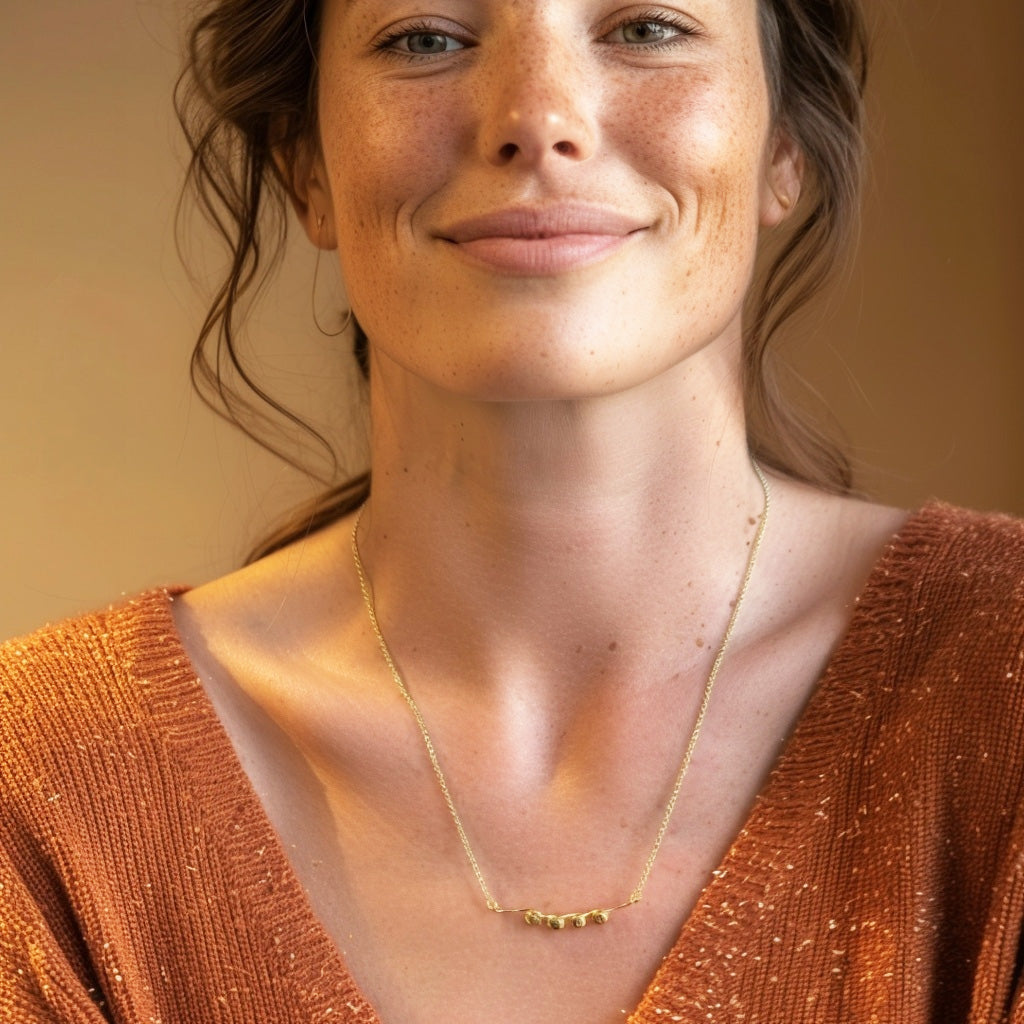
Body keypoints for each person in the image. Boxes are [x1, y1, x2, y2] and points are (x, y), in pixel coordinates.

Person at [2, 0, 1022, 1021]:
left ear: (782, 144)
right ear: (305, 164)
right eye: (424, 38)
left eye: (646, 27)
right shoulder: (38, 779)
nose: (536, 117)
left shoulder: (1003, 675)